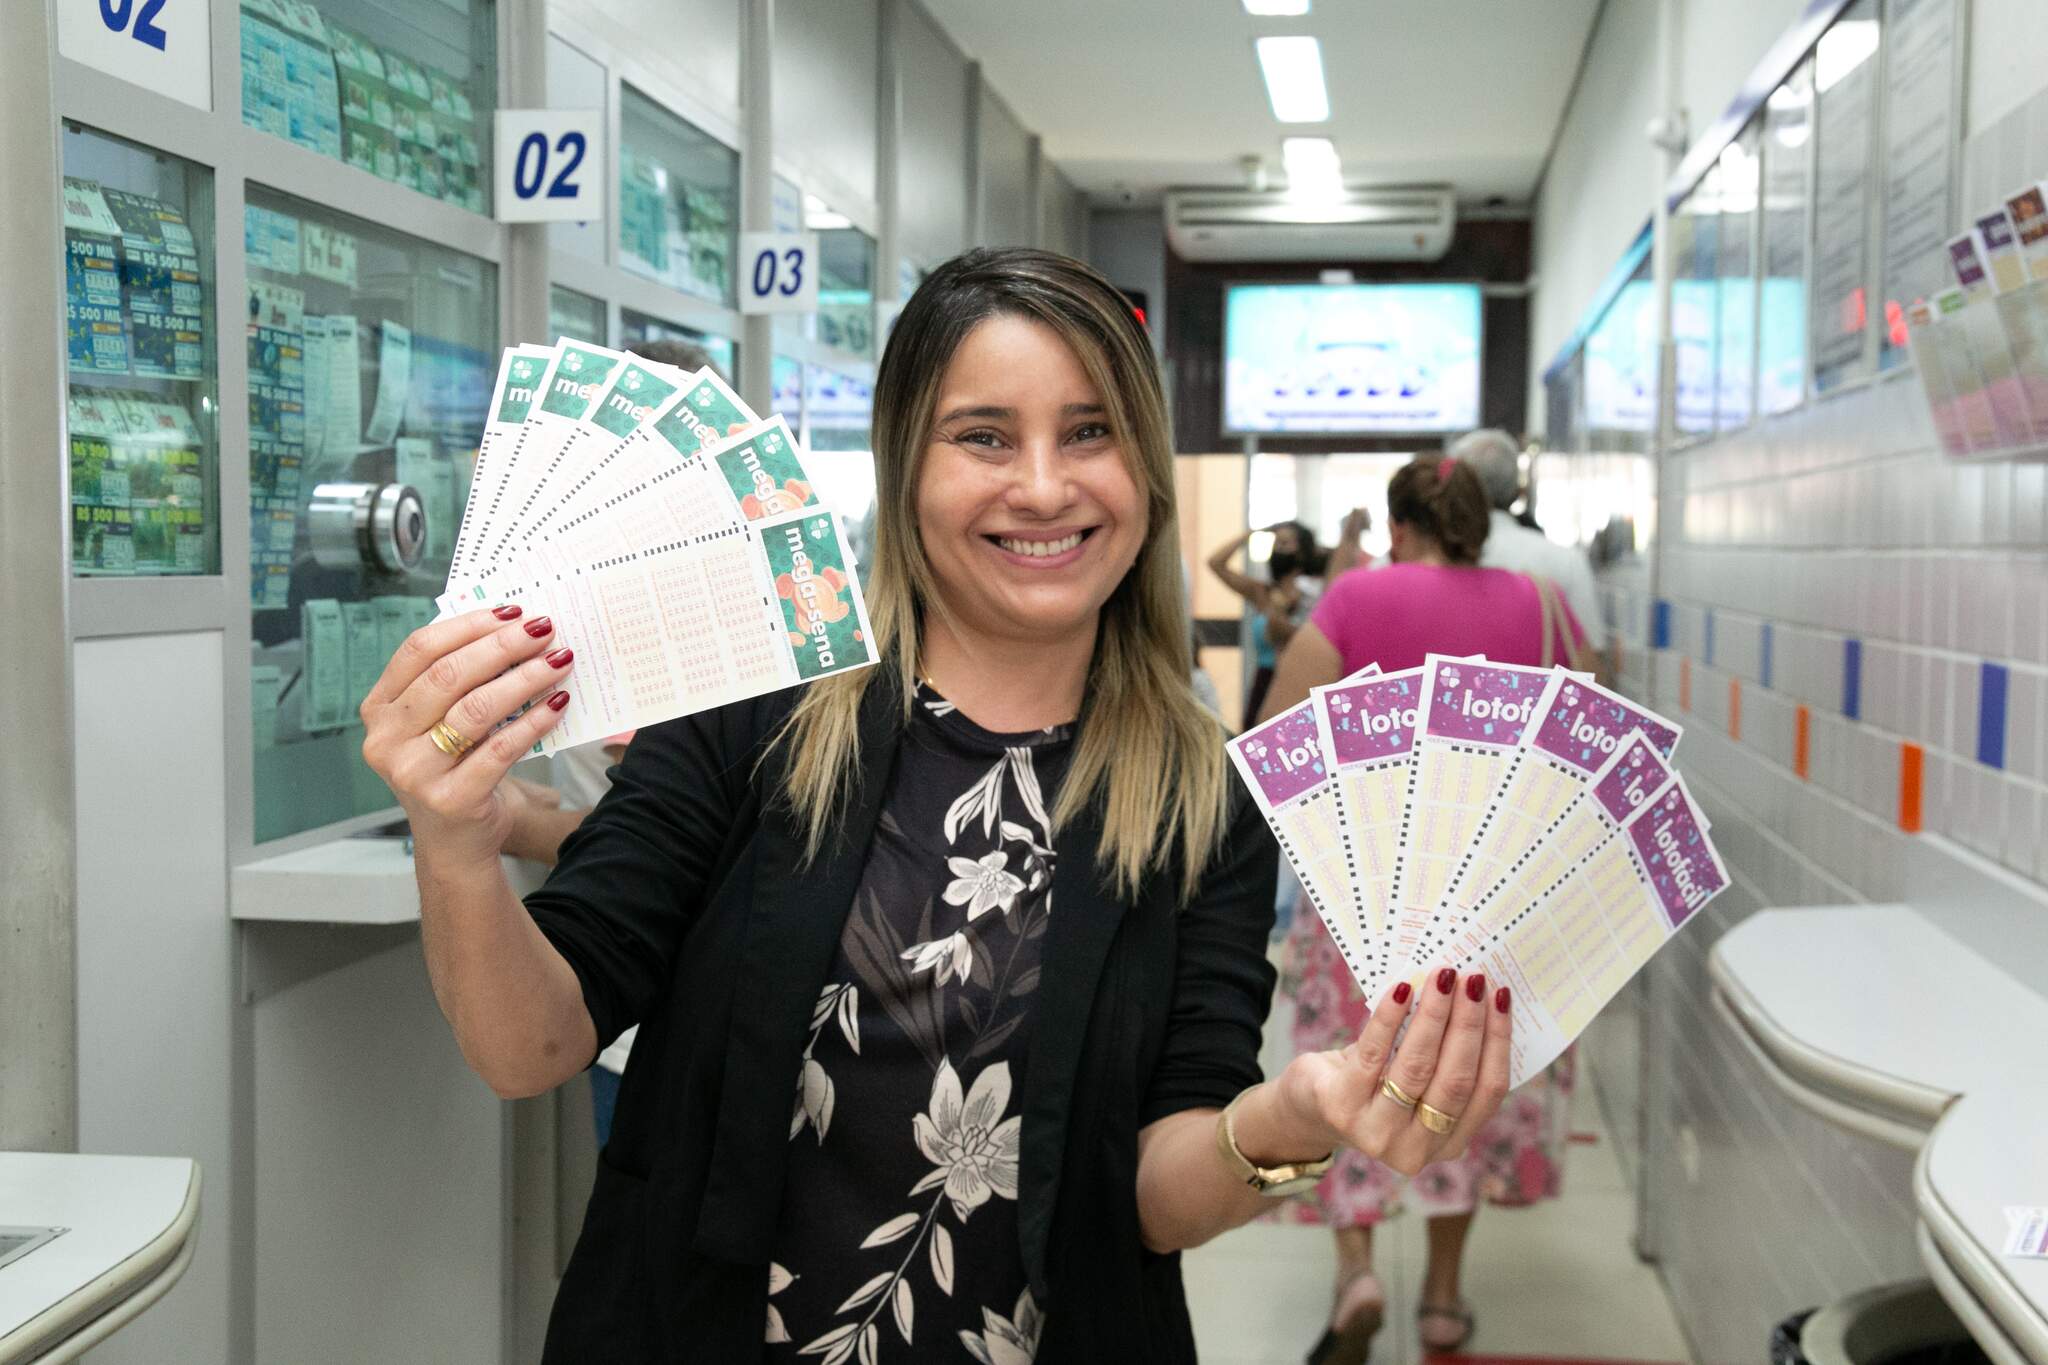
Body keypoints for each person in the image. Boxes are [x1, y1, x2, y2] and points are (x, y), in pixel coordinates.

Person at [361, 249, 1514, 1363]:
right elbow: (534, 1044)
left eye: (1089, 432)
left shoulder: (1200, 796)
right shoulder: (754, 715)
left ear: (1144, 474)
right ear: (905, 462)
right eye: (982, 437)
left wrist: (1295, 1119)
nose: (1046, 487)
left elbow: (1152, 1201)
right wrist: (455, 846)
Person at [1258, 454, 1585, 1365]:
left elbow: (1279, 734)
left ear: (1398, 527)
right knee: (1464, 1077)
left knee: (1351, 1074)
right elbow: (1583, 733)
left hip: (1367, 897)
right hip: (1494, 903)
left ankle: (1357, 1270)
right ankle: (1442, 1297)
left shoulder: (1357, 598)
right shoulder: (1538, 599)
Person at [495, 335, 733, 1145]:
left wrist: (519, 823)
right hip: (623, 1015)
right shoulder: (570, 604)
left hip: (707, 1017)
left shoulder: (723, 630)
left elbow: (681, 837)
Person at [1449, 428, 1610, 681]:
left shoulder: (1431, 559)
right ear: (1517, 488)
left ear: (1455, 491)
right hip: (1541, 715)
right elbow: (1592, 663)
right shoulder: (1564, 561)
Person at [1208, 520, 1326, 729]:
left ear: (1302, 551)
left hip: (1302, 684)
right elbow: (1216, 563)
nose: (1279, 548)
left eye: (1285, 543)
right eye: (1276, 543)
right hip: (1264, 683)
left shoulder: (1317, 591)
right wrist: (1253, 533)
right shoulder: (1262, 592)